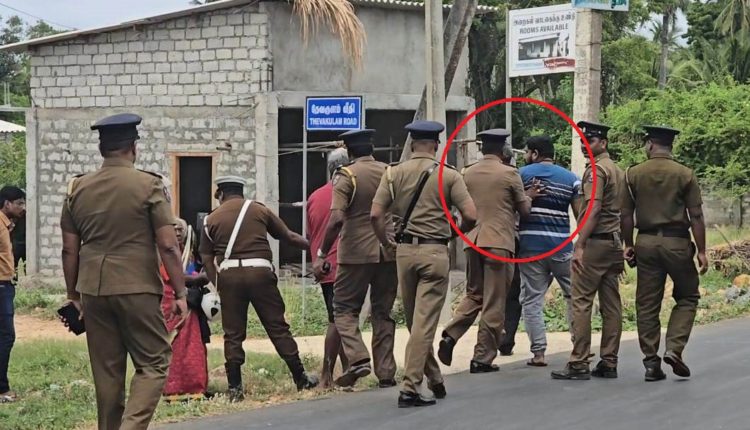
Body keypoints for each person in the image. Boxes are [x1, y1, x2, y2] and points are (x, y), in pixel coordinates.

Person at [60, 113, 188, 430]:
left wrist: (73, 295)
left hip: (93, 289)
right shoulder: (149, 185)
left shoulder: (77, 188)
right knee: (154, 361)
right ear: (133, 148)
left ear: (101, 148)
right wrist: (180, 292)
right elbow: (168, 245)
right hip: (137, 286)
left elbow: (69, 250)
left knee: (107, 373)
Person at [371, 120, 477, 408]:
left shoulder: (392, 173)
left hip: (404, 253)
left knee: (416, 323)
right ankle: (409, 388)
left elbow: (375, 214)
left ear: (411, 144)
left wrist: (385, 242)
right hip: (435, 252)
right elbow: (471, 215)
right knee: (423, 323)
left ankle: (435, 378)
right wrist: (455, 232)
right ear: (436, 145)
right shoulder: (449, 175)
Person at [200, 176, 318, 402]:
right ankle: (300, 377)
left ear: (220, 194)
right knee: (277, 326)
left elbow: (206, 256)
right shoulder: (259, 210)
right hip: (261, 274)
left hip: (230, 277)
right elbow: (289, 236)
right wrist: (318, 249)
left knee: (233, 334)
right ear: (241, 191)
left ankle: (235, 390)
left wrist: (218, 283)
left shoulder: (210, 219)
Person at [438, 129, 531, 373]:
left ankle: (451, 333)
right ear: (504, 151)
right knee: (494, 301)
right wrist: (529, 197)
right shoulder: (510, 173)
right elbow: (524, 210)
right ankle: (482, 358)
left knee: (474, 294)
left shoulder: (467, 172)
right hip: (499, 243)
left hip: (472, 242)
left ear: (482, 149)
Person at [621, 125, 708, 381]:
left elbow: (625, 215)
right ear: (671, 146)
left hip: (646, 243)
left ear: (650, 144)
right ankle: (674, 348)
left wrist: (628, 244)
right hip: (677, 243)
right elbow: (696, 215)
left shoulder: (632, 174)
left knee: (647, 304)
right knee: (688, 296)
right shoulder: (685, 174)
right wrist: (702, 250)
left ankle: (651, 363)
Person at [312, 130, 398, 388]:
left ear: (349, 151)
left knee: (343, 309)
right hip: (387, 252)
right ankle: (386, 373)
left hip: (355, 254)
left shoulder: (347, 175)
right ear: (372, 148)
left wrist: (321, 253)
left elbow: (337, 219)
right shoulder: (389, 172)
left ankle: (358, 358)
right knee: (383, 312)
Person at [552, 121, 625, 381]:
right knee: (611, 305)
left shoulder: (596, 171)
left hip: (594, 243)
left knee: (581, 302)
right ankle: (609, 361)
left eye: (590, 141)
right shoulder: (617, 170)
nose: (585, 146)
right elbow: (626, 211)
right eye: (583, 141)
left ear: (603, 143)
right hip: (613, 243)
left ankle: (579, 362)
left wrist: (580, 245)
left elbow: (593, 209)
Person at [518, 135, 580, 366]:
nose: (525, 156)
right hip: (562, 247)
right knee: (574, 296)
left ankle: (539, 354)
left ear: (535, 153)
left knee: (532, 300)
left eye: (527, 152)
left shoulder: (521, 176)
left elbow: (513, 206)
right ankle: (579, 346)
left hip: (531, 248)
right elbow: (580, 214)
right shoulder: (571, 178)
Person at [307, 147, 349, 388]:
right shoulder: (348, 193)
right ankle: (326, 375)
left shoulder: (315, 196)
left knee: (338, 317)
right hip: (343, 264)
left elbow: (310, 234)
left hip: (323, 267)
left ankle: (348, 369)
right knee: (339, 319)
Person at [161, 218, 211, 401]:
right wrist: (196, 279)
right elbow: (168, 275)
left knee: (192, 344)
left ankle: (194, 387)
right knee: (173, 345)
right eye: (173, 228)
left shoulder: (190, 253)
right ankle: (172, 388)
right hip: (170, 302)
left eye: (180, 229)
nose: (177, 232)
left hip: (189, 305)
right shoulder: (163, 252)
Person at [0, 186, 25, 403]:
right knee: (6, 336)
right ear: (7, 203)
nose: (22, 207)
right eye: (19, 203)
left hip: (5, 284)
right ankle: (1, 389)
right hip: (0, 286)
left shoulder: (7, 225)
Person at [497, 144, 522, 357]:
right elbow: (523, 208)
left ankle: (486, 345)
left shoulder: (471, 173)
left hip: (477, 241)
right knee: (512, 292)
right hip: (509, 241)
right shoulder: (514, 176)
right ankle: (505, 341)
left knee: (482, 294)